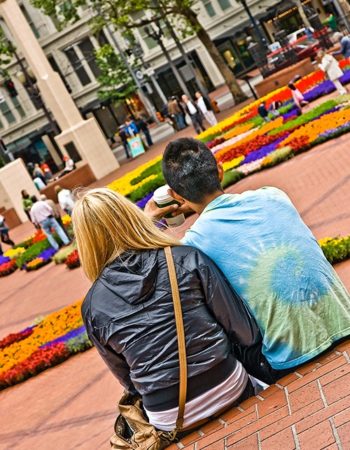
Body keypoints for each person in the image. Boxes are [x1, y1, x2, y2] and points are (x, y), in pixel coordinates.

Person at [145, 138, 350, 383]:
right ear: (219, 170)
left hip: (288, 357)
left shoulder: (194, 244)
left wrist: (148, 220)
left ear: (175, 195)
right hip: (343, 321)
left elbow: (153, 269)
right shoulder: (274, 196)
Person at [73, 188, 263, 432]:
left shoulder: (92, 306)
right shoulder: (185, 258)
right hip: (225, 383)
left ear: (85, 243)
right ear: (132, 216)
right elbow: (245, 332)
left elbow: (130, 383)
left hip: (167, 414)